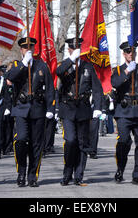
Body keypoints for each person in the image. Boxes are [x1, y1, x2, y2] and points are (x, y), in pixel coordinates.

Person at [6, 36, 55, 188]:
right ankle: (21, 172)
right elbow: (11, 77)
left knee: (36, 145)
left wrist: (51, 108)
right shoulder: (15, 65)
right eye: (25, 48)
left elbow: (50, 89)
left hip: (38, 109)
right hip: (21, 108)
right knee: (20, 140)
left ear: (34, 49)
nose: (28, 50)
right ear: (21, 50)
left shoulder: (41, 65)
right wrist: (24, 63)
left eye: (31, 47)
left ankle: (32, 175)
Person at [56, 37, 103, 186]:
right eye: (73, 48)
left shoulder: (88, 67)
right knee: (70, 141)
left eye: (78, 48)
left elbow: (97, 89)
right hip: (68, 107)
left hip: (83, 108)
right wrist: (71, 59)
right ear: (69, 49)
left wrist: (98, 108)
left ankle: (79, 175)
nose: (76, 50)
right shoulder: (65, 65)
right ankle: (67, 173)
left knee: (82, 144)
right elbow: (58, 71)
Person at [111, 41, 138, 186]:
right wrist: (127, 71)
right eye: (128, 52)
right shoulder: (118, 70)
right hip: (123, 112)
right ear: (124, 54)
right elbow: (115, 83)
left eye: (132, 51)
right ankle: (120, 168)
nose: (131, 54)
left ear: (135, 53)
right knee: (123, 141)